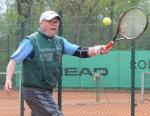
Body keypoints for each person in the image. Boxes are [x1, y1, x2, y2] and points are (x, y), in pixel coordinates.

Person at [4, 10, 112, 116]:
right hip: (34, 90)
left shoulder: (60, 42)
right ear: (41, 23)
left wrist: (98, 49)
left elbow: (80, 51)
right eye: (50, 21)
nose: (54, 24)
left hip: (46, 91)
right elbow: (13, 60)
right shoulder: (31, 41)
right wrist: (8, 79)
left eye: (56, 22)